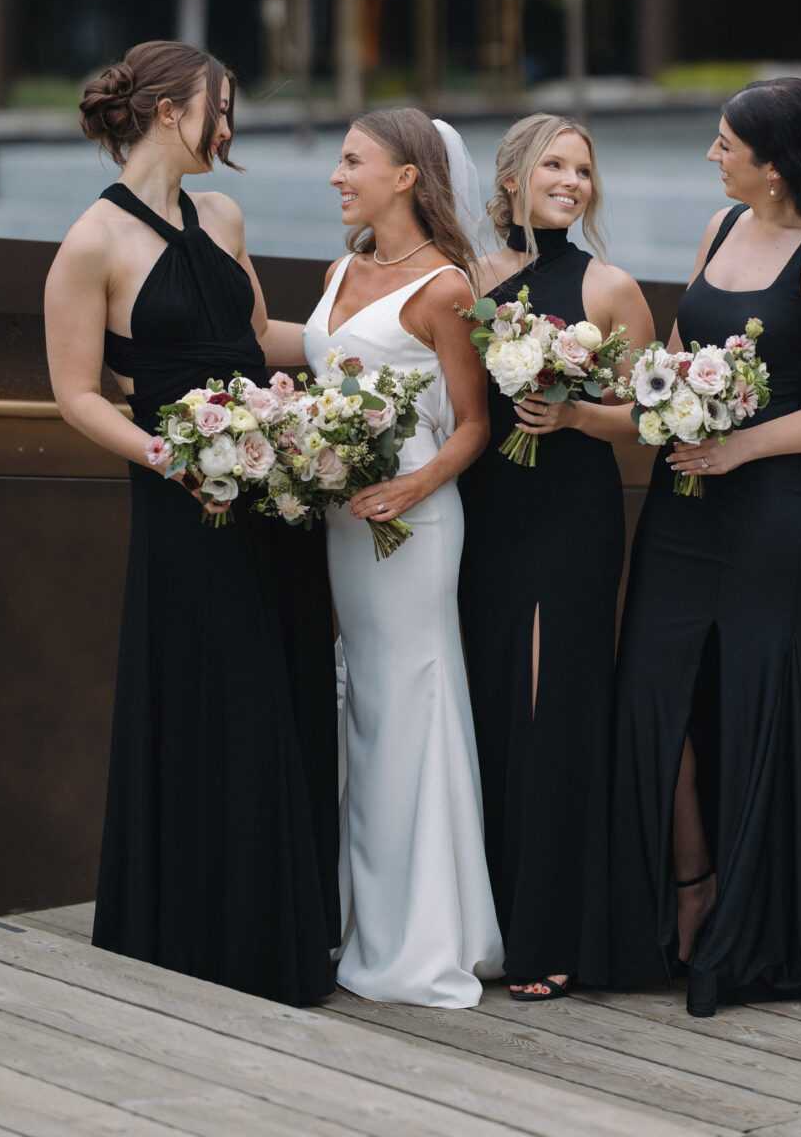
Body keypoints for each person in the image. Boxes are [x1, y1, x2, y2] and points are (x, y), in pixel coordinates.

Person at [45, 40, 336, 1006]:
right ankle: (199, 937)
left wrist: (382, 339)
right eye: (222, 108)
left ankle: (275, 934)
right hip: (183, 501)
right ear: (171, 109)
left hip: (272, 493)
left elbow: (257, 342)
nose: (229, 128)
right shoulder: (91, 241)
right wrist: (175, 459)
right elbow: (79, 395)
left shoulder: (223, 214)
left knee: (281, 681)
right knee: (222, 693)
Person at [609, 76, 801, 1017]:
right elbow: (682, 355)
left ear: (773, 164)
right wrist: (623, 398)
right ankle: (684, 896)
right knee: (657, 689)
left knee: (751, 700)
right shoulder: (718, 230)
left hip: (775, 509)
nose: (710, 155)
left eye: (725, 143)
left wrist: (742, 443)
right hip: (683, 502)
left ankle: (754, 929)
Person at [302, 109, 505, 1007]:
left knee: (410, 706)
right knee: (362, 710)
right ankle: (359, 919)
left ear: (406, 176)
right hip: (343, 525)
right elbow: (320, 359)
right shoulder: (342, 267)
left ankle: (422, 940)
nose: (337, 174)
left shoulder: (446, 287)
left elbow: (472, 427)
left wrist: (409, 490)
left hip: (412, 527)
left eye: (353, 160)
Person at [458, 113, 654, 1000]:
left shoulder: (610, 287)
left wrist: (575, 414)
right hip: (482, 515)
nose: (573, 181)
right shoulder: (464, 281)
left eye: (584, 168)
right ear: (510, 181)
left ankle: (552, 930)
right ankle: (485, 921)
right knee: (489, 706)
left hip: (570, 520)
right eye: (554, 165)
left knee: (552, 706)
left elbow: (651, 416)